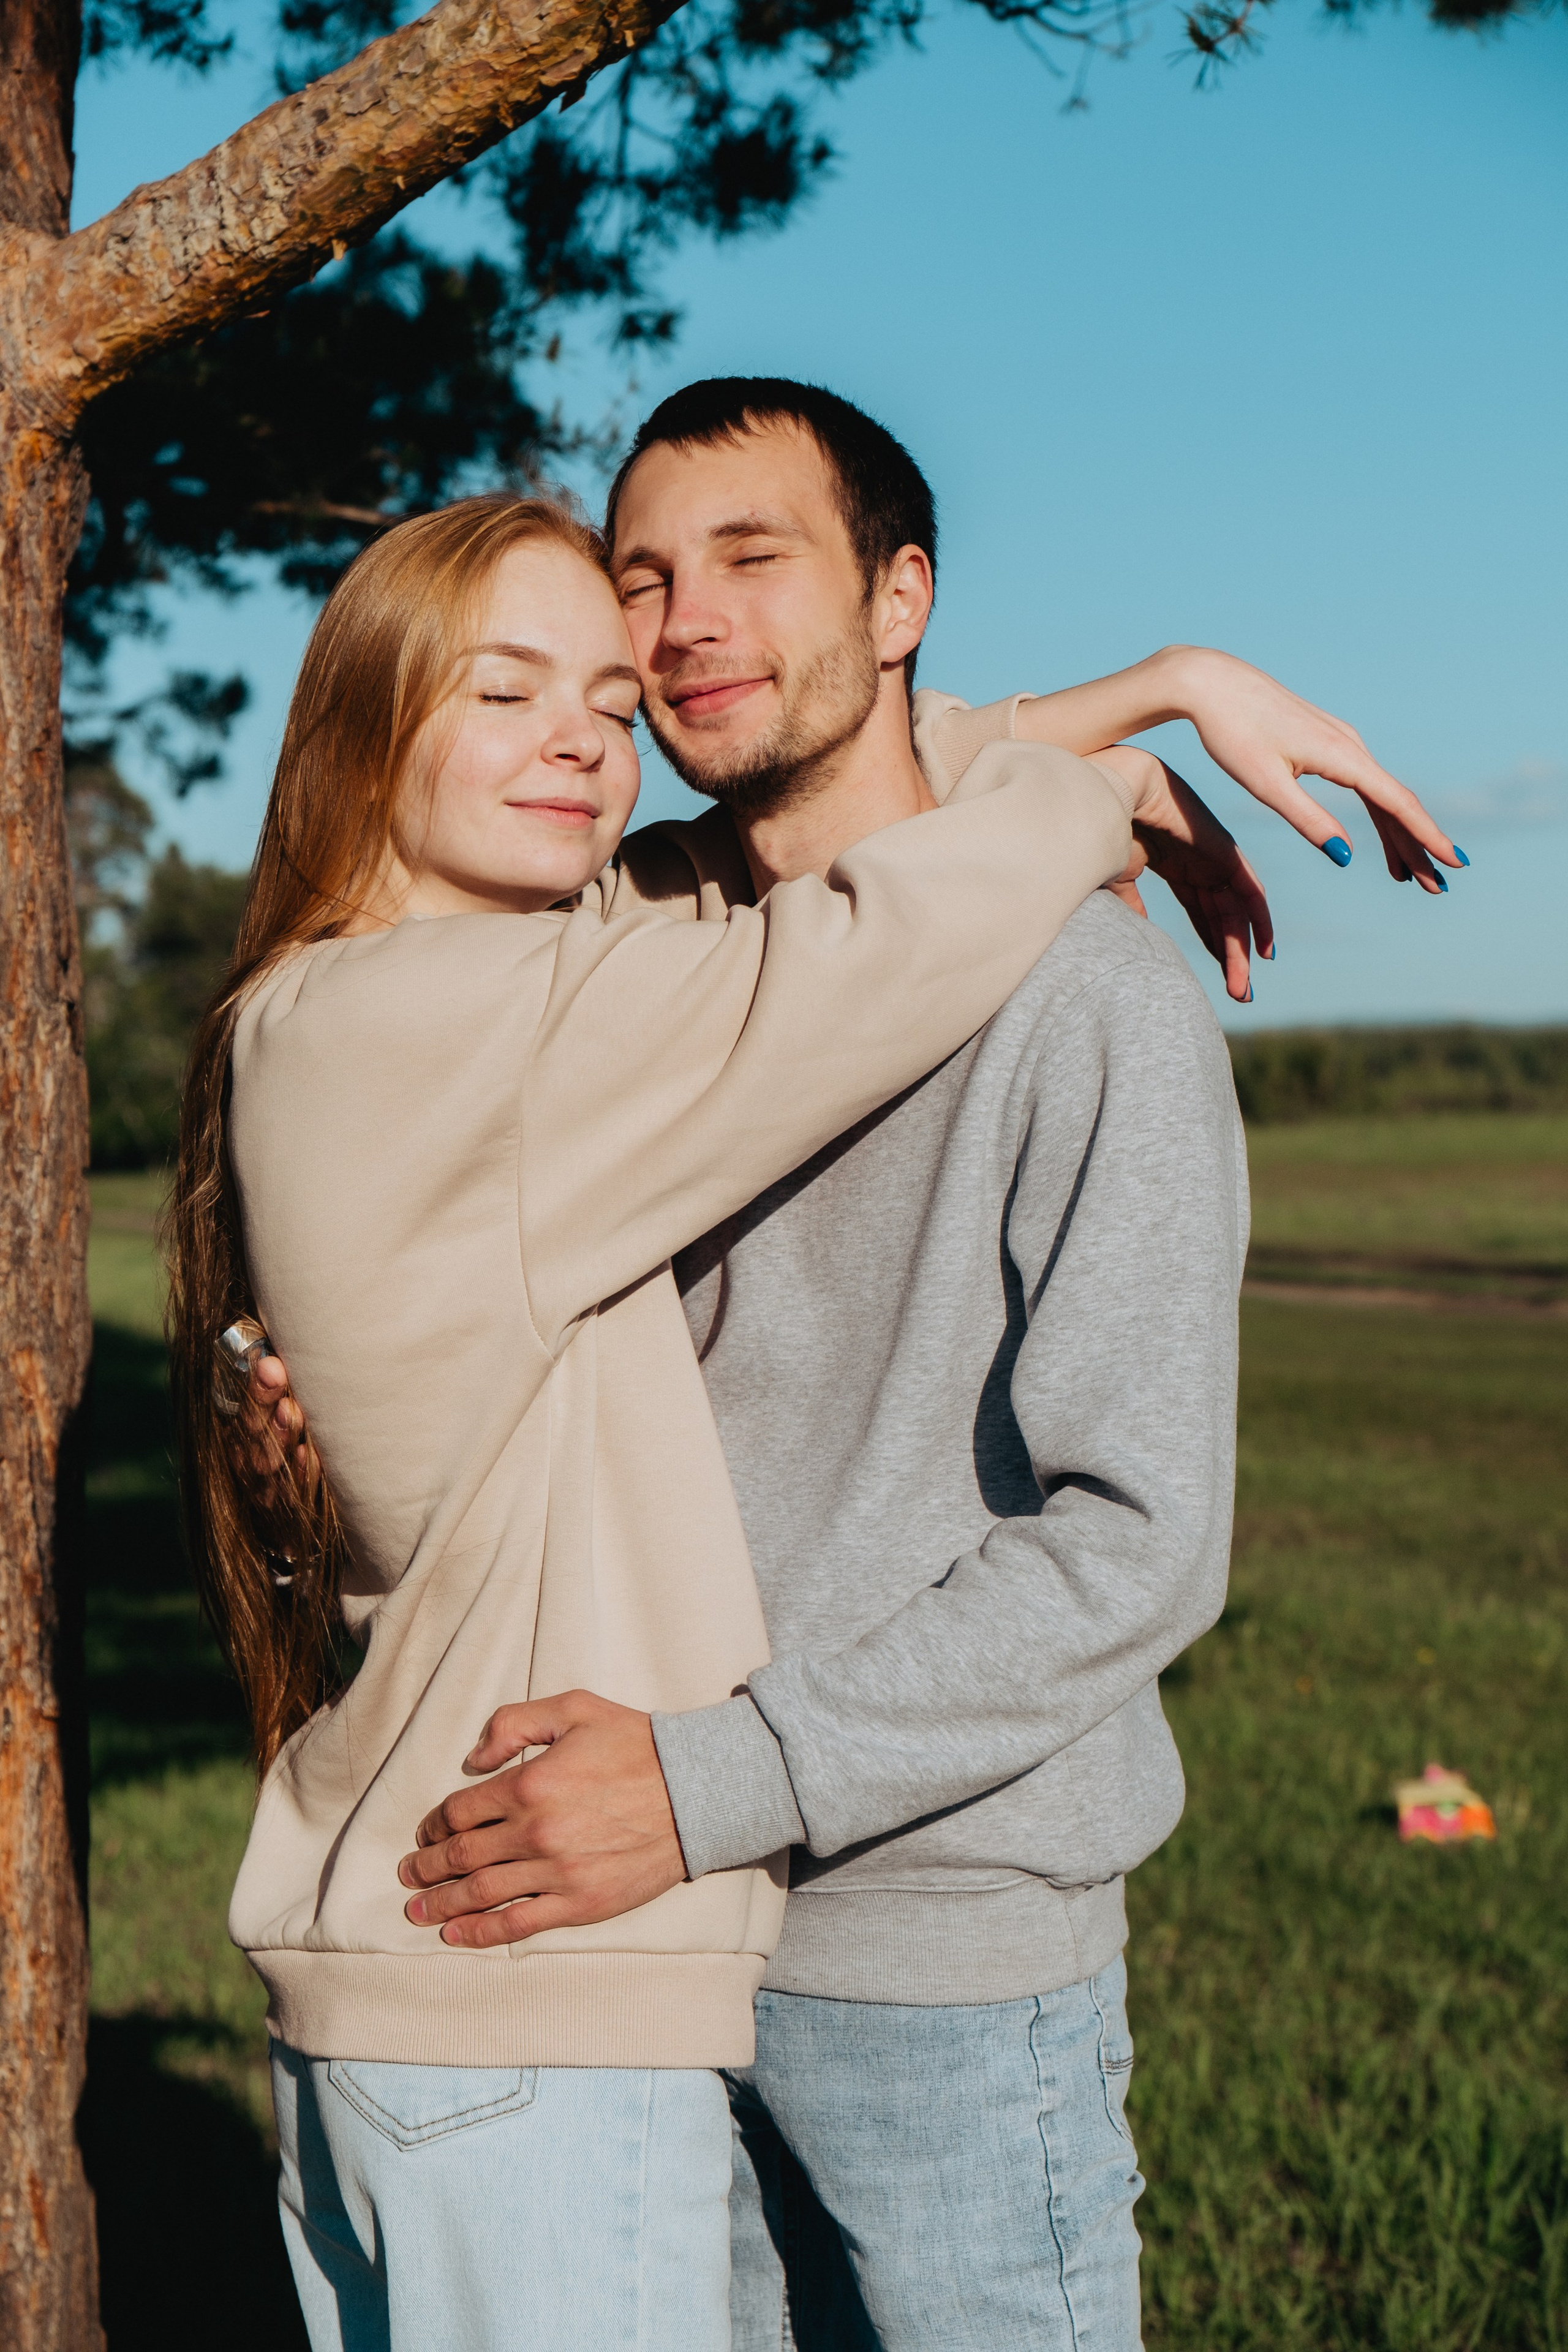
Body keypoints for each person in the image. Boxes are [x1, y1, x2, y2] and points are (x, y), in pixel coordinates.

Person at [170, 484, 1265, 2351]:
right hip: (543, 2007)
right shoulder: (485, 1018)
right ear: (366, 722)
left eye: (609, 701)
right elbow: (862, 943)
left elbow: (785, 831)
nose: (586, 743)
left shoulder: (356, 1002)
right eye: (504, 691)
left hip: (459, 1982)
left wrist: (1110, 708)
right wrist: (1095, 780)